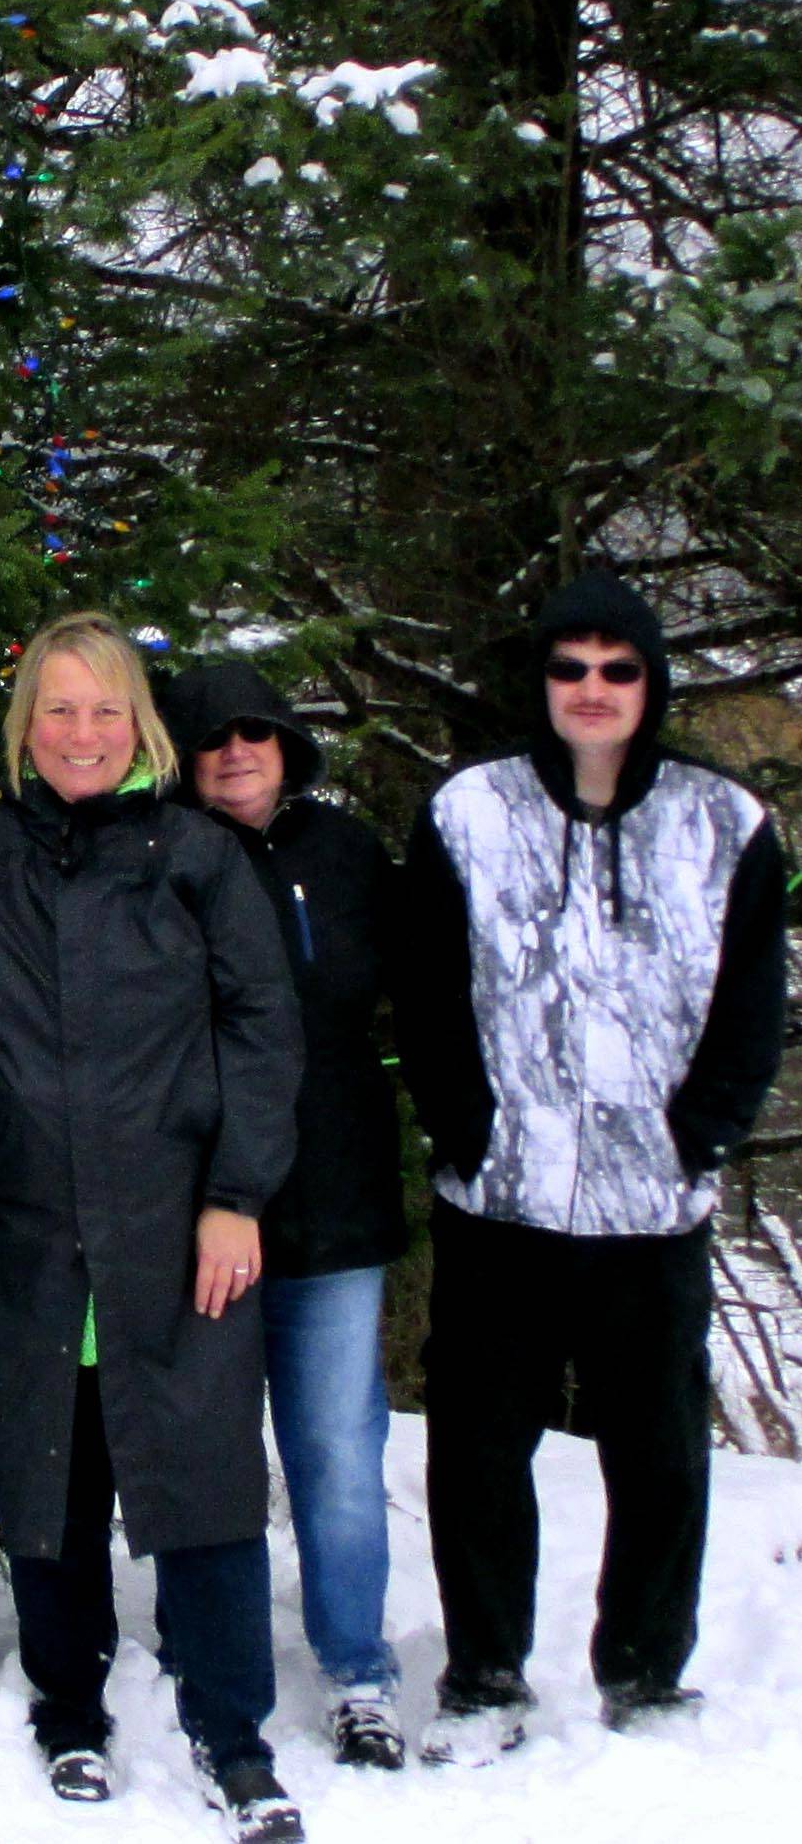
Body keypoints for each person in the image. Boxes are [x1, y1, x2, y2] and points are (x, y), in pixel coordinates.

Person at [399, 569, 789, 1764]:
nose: (591, 690)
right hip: (499, 1204)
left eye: (616, 669)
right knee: (476, 1451)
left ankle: (641, 1670)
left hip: (651, 1211)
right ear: (538, 683)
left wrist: (697, 1138)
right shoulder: (466, 811)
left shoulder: (725, 826)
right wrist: (468, 1129)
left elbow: (749, 1004)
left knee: (659, 1456)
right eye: (568, 668)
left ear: (649, 682)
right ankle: (483, 1675)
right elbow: (423, 989)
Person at [0, 613, 305, 1844]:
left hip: (175, 1235)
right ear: (23, 726)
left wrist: (233, 1197)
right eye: (56, 709)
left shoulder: (195, 858)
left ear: (136, 723)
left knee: (202, 1484)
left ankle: (230, 1736)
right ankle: (69, 1714)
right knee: (51, 1486)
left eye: (102, 710)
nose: (79, 733)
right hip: (28, 1240)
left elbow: (261, 1027)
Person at [158, 660, 407, 1770]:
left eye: (255, 729)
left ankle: (357, 1670)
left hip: (336, 1209)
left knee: (336, 1452)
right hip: (198, 1213)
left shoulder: (347, 855)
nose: (234, 750)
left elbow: (424, 994)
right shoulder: (158, 854)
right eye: (210, 736)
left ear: (287, 741)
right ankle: (197, 1646)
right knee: (205, 1450)